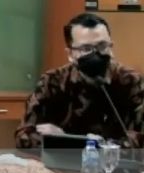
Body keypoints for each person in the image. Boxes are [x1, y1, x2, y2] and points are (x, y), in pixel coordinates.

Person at [16, 13, 144, 149]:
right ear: (70, 54)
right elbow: (24, 136)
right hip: (63, 161)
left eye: (102, 46)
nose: (96, 55)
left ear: (111, 47)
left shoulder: (131, 81)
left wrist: (95, 144)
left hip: (115, 161)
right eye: (86, 49)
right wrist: (63, 140)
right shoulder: (52, 81)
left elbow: (141, 138)